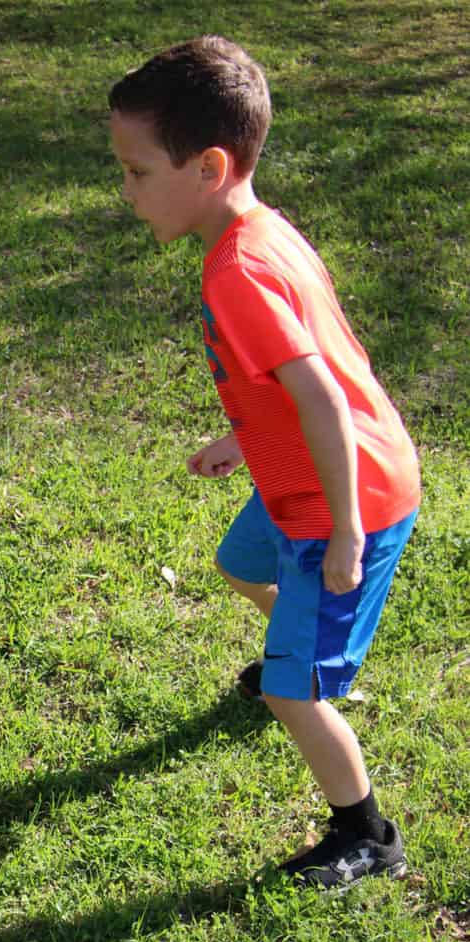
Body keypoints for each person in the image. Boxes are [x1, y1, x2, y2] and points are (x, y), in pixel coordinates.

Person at [108, 37, 421, 889]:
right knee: (239, 560)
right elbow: (304, 375)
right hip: (309, 478)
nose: (126, 190)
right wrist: (245, 438)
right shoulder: (262, 231)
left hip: (342, 500)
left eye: (137, 172)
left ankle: (367, 832)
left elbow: (322, 400)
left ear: (207, 166)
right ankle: (304, 650)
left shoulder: (238, 271)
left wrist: (351, 531)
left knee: (294, 694)